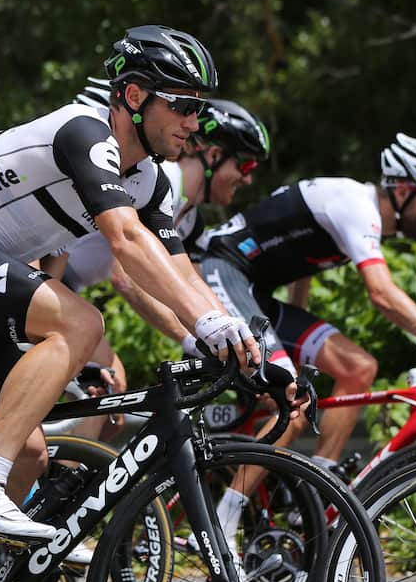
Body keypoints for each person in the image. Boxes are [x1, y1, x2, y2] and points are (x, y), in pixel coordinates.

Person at [0, 23, 257, 546]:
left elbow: (179, 270)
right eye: (183, 104)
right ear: (135, 97)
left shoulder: (149, 182)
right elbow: (125, 241)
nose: (194, 121)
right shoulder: (85, 132)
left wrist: (240, 341)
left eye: (200, 108)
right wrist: (208, 326)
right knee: (80, 322)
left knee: (27, 454)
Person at [195, 133, 416, 558]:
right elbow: (383, 294)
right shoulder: (359, 207)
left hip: (257, 294)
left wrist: (293, 351)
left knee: (358, 367)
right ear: (405, 190)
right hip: (218, 271)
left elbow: (300, 264)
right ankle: (217, 528)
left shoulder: (356, 212)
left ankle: (317, 492)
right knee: (293, 405)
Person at [45, 85, 271, 441]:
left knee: (108, 395)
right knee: (109, 382)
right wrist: (191, 338)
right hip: (49, 279)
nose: (249, 178)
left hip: (64, 286)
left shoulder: (190, 218)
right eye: (245, 164)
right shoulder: (162, 183)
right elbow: (127, 277)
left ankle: (61, 482)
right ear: (212, 156)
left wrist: (239, 342)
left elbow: (193, 284)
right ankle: (57, 488)